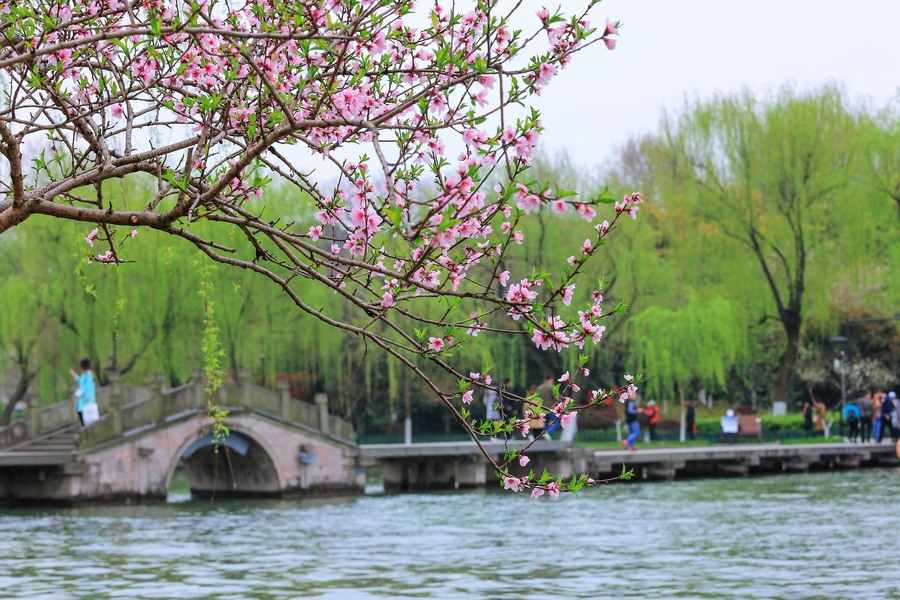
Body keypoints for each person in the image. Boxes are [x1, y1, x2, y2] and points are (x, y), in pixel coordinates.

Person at [69, 358, 97, 426]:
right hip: (86, 401)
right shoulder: (88, 374)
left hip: (86, 401)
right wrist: (75, 376)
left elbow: (85, 387)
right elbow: (82, 382)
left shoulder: (88, 375)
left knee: (85, 420)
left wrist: (79, 393)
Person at [534, 375, 556, 440]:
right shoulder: (551, 387)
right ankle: (548, 432)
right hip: (551, 408)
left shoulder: (539, 387)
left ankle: (544, 435)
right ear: (551, 379)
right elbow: (557, 397)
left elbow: (537, 398)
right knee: (556, 421)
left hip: (542, 408)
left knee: (545, 423)